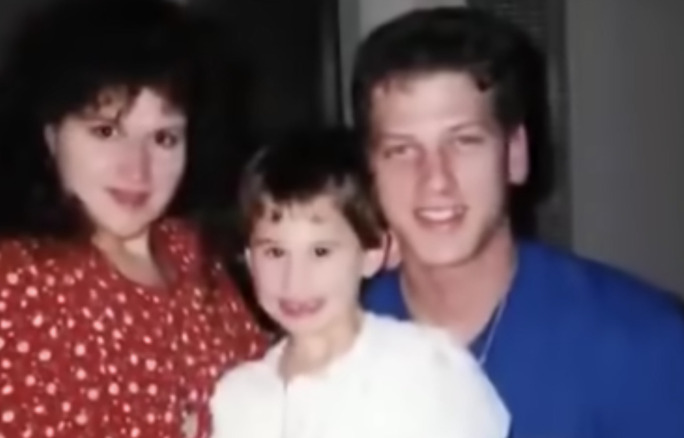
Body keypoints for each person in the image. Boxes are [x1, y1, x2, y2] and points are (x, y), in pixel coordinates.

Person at [0, 0, 266, 437]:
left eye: (163, 137)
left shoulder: (198, 257)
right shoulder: (6, 285)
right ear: (50, 133)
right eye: (105, 130)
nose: (137, 168)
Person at [353, 7, 684, 438]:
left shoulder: (643, 347)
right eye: (402, 149)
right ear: (370, 171)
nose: (435, 180)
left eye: (465, 141)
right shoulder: (332, 346)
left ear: (514, 154)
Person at [210, 129, 509, 438]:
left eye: (320, 251)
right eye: (274, 252)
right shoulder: (238, 398)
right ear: (249, 259)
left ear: (372, 253)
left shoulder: (425, 369)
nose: (294, 279)